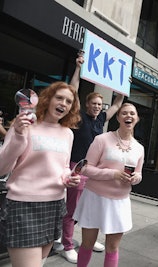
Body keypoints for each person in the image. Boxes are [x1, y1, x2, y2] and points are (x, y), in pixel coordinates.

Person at [0, 82, 81, 267]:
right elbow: (2, 168)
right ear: (47, 99)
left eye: (69, 101)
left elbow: (63, 168)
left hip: (54, 205)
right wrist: (19, 135)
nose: (63, 103)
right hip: (23, 205)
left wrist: (68, 177)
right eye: (59, 98)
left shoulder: (68, 133)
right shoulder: (24, 125)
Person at [60, 53, 124, 263]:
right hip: (77, 167)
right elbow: (73, 90)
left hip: (94, 171)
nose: (97, 106)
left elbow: (117, 104)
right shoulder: (79, 116)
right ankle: (67, 244)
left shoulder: (102, 120)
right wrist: (78, 68)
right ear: (87, 105)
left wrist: (123, 87)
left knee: (89, 207)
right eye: (94, 104)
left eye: (100, 104)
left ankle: (87, 239)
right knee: (72, 209)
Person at [73, 103, 144, 267]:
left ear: (137, 118)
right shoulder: (102, 139)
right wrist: (112, 174)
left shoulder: (139, 148)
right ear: (118, 117)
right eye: (124, 113)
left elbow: (139, 173)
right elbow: (85, 168)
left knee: (112, 247)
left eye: (132, 113)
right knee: (87, 244)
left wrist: (135, 178)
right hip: (94, 198)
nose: (129, 116)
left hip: (120, 201)